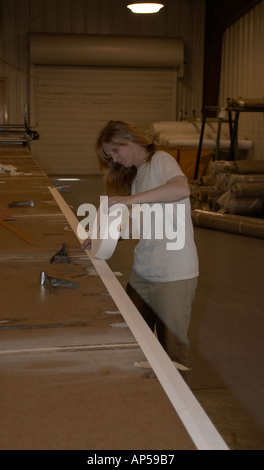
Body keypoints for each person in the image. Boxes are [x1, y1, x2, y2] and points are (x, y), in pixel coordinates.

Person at [83, 120, 199, 369]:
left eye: (115, 150)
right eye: (109, 155)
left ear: (129, 138)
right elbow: (139, 224)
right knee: (132, 337)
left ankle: (178, 406)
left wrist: (131, 199)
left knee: (172, 353)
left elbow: (181, 188)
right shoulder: (137, 178)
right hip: (144, 271)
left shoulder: (161, 161)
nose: (114, 159)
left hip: (174, 272)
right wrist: (104, 236)